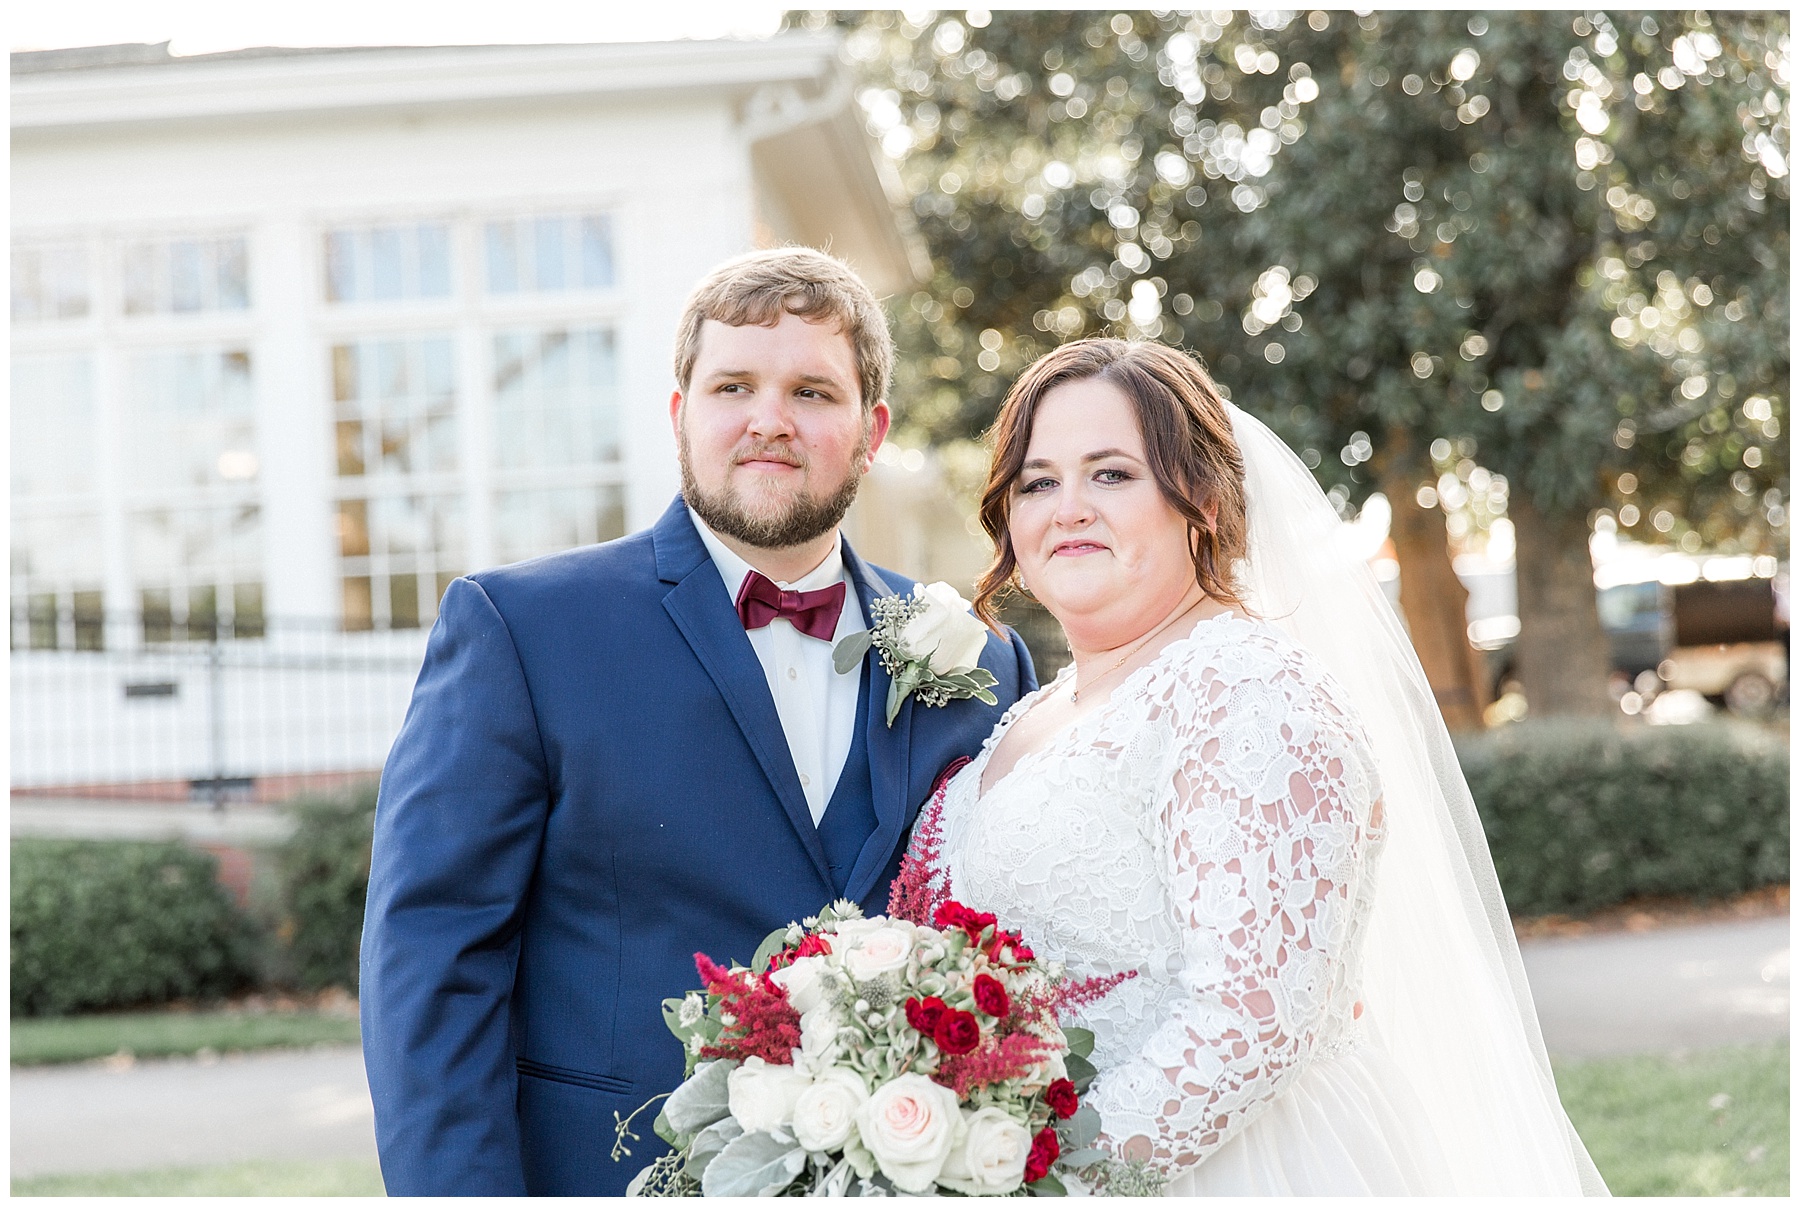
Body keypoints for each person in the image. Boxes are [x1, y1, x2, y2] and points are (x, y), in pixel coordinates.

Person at [359, 247, 1036, 1196]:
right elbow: (431, 960)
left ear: (872, 428)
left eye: (812, 390)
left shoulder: (982, 665)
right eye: (734, 385)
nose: (770, 419)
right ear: (682, 414)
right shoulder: (525, 631)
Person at [932, 338, 1608, 1194]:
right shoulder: (1034, 711)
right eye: (1038, 480)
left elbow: (1249, 1023)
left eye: (1112, 474)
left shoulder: (1248, 690)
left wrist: (1037, 1180)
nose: (1068, 507)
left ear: (1203, 501)